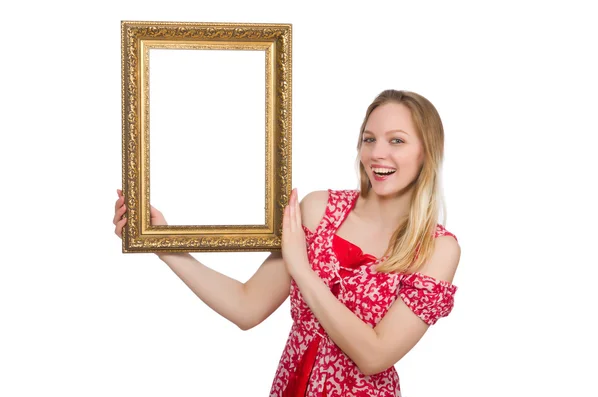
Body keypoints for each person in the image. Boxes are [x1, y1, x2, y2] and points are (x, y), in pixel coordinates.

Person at [113, 89, 461, 397]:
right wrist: (165, 245)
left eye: (396, 140)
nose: (377, 153)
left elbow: (374, 356)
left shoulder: (437, 249)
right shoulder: (319, 209)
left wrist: (303, 270)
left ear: (427, 151)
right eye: (369, 139)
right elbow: (246, 307)